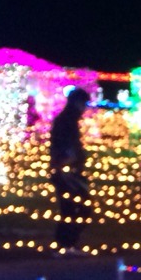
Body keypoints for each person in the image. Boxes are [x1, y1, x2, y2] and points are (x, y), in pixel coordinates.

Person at [49, 87, 91, 252]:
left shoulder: (69, 120)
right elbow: (62, 145)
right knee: (75, 207)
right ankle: (66, 244)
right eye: (84, 104)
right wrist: (67, 160)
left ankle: (67, 244)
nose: (85, 108)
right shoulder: (66, 121)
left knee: (73, 207)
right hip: (66, 171)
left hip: (71, 170)